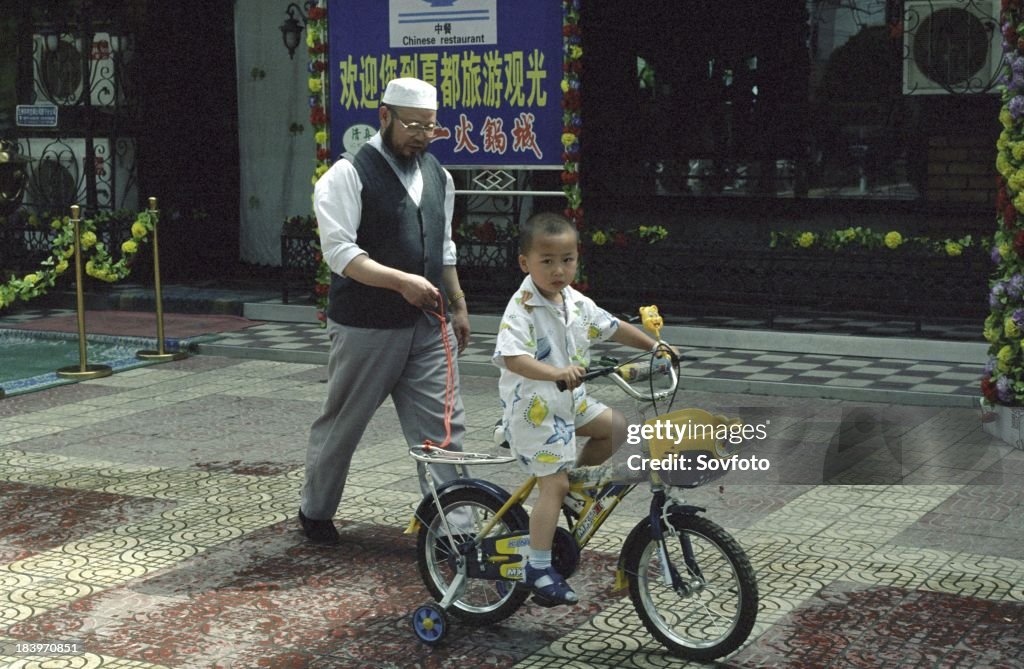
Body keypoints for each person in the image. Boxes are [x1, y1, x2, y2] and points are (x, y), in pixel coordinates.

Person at [300, 77, 470, 545]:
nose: (421, 135)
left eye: (430, 128)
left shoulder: (439, 175)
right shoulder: (347, 174)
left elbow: (445, 246)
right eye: (412, 125)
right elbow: (340, 254)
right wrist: (400, 281)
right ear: (384, 116)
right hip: (366, 326)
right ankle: (315, 510)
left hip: (428, 324)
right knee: (344, 422)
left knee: (443, 428)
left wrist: (457, 303)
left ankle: (452, 529)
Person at [492, 212, 664, 605]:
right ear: (525, 263)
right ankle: (537, 566)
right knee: (552, 483)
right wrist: (555, 371)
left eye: (567, 260)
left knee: (615, 426)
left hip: (569, 402)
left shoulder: (574, 300)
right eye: (547, 261)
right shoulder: (522, 307)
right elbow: (513, 357)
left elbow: (612, 325)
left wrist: (655, 347)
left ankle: (571, 494)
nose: (559, 270)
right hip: (533, 412)